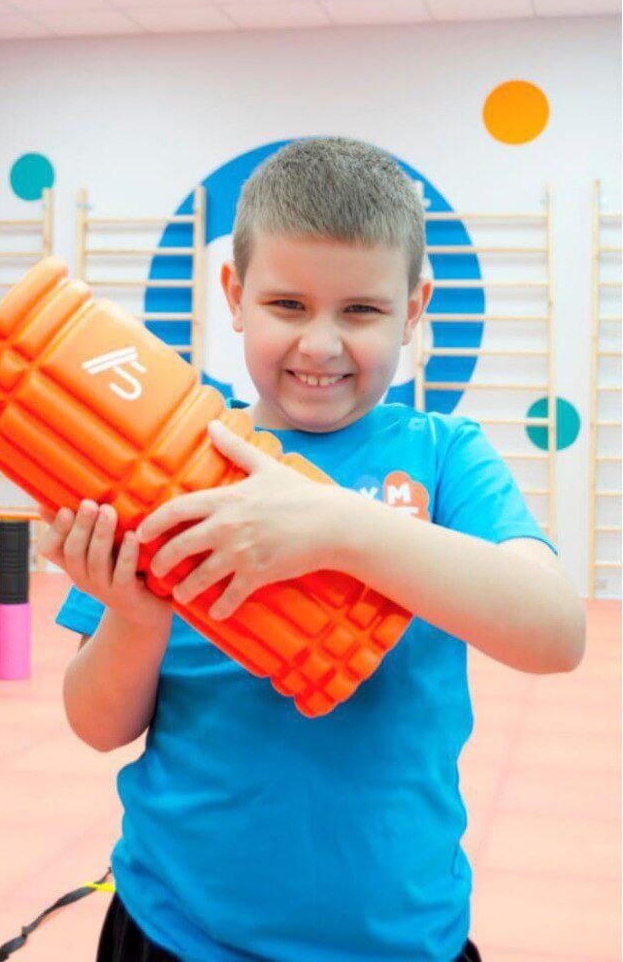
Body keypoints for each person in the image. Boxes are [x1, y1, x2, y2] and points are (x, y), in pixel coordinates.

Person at [42, 137, 585, 962]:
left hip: (401, 938)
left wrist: (339, 528)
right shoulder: (164, 461)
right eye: (288, 305)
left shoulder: (445, 456)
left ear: (413, 307)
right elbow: (97, 727)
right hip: (176, 930)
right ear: (235, 295)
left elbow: (556, 634)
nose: (321, 345)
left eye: (360, 311)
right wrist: (136, 616)